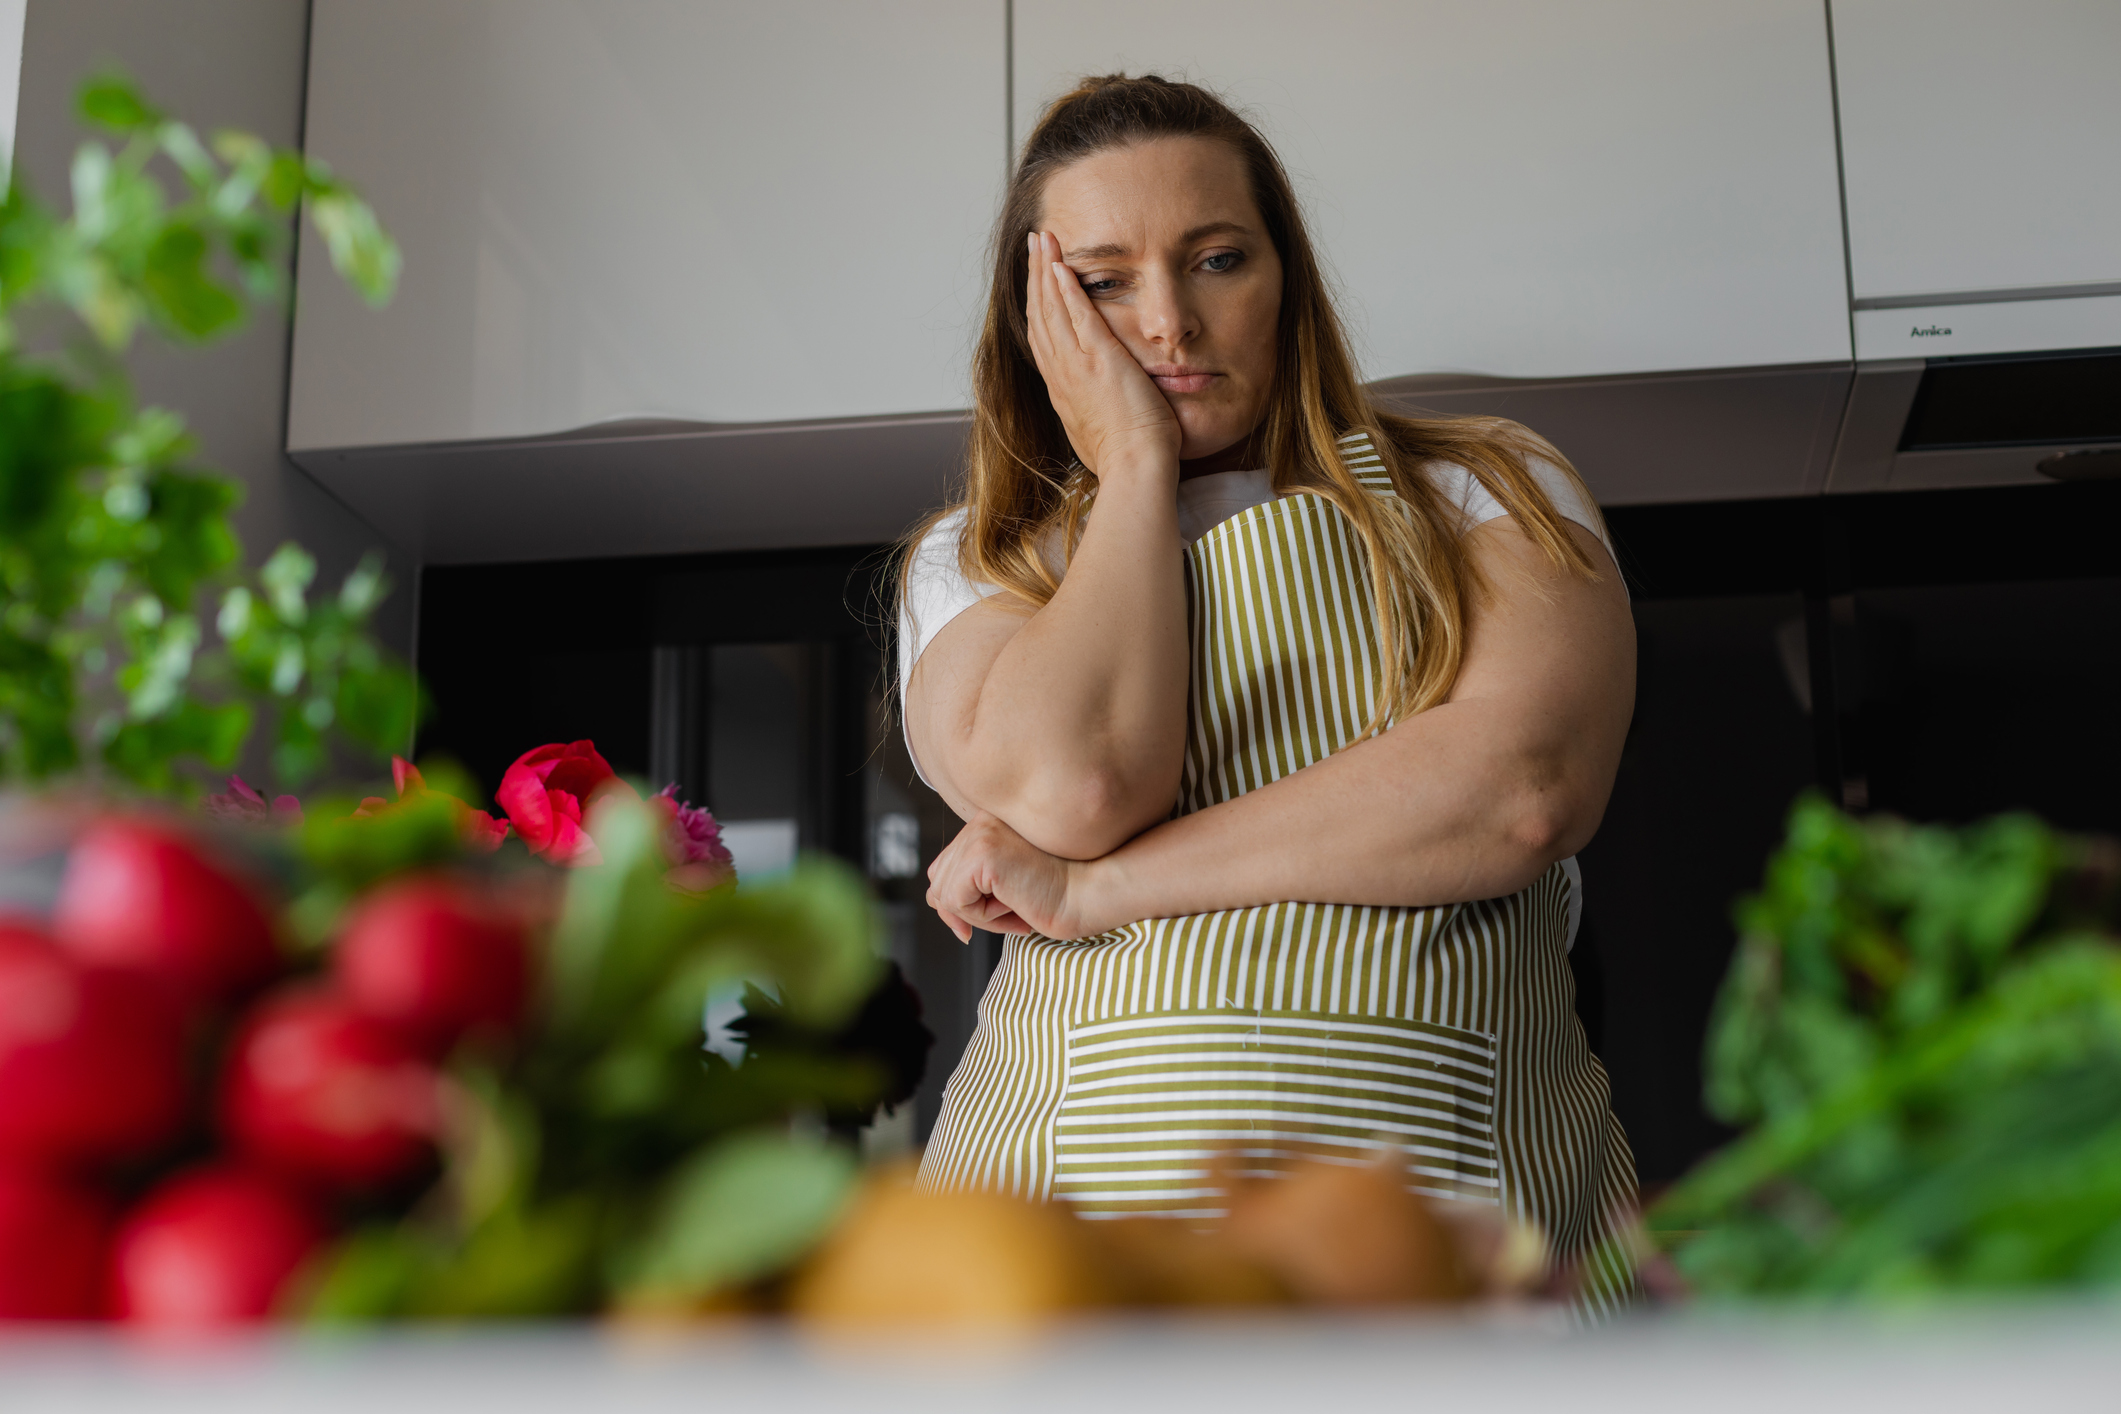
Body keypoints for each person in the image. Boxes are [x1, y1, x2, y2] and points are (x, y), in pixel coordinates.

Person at [897, 74, 1638, 1313]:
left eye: (1218, 259)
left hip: (1458, 1244)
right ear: (1037, 316)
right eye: (1104, 283)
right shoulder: (980, 562)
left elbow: (1519, 791)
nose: (1170, 324)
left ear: (1285, 275)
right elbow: (1077, 782)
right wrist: (1133, 465)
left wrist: (1099, 889)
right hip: (1061, 1259)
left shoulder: (1483, 492)